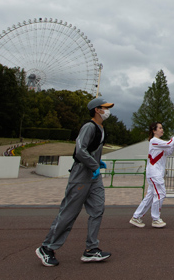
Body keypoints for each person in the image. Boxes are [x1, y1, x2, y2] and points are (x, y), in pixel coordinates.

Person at [36, 97, 115, 267]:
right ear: (97, 110)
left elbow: (91, 150)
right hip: (81, 174)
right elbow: (80, 150)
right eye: (105, 107)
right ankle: (47, 247)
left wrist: (96, 164)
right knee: (69, 212)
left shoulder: (101, 128)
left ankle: (91, 249)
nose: (108, 110)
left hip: (94, 176)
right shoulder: (89, 127)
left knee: (97, 210)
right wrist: (94, 165)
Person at [130, 122, 174, 228]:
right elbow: (168, 144)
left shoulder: (160, 143)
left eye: (162, 128)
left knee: (150, 196)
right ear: (154, 130)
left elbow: (169, 151)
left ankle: (136, 217)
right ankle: (156, 219)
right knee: (161, 193)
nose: (162, 130)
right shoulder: (154, 141)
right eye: (160, 128)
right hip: (154, 173)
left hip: (156, 173)